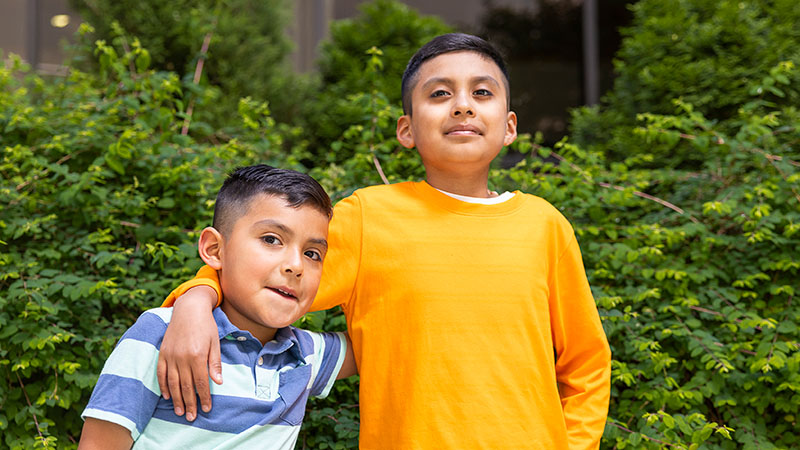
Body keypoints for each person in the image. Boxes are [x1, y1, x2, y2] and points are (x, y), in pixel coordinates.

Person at [159, 33, 611, 449]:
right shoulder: (368, 218)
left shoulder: (545, 225)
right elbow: (258, 270)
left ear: (509, 125)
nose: (462, 106)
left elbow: (587, 363)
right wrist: (196, 299)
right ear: (407, 130)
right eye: (439, 94)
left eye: (482, 92)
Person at [77, 165, 357, 449]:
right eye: (271, 239)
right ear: (214, 249)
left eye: (312, 254)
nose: (296, 266)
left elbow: (385, 341)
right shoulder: (162, 333)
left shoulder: (306, 355)